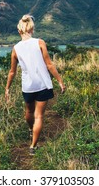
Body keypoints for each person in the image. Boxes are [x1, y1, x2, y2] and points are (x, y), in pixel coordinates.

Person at [5, 14, 66, 155]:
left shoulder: (16, 48)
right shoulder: (39, 42)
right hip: (42, 84)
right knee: (39, 116)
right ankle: (33, 146)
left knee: (29, 112)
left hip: (27, 86)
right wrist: (60, 81)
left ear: (19, 30)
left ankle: (31, 130)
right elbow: (49, 65)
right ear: (31, 29)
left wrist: (7, 88)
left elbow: (12, 72)